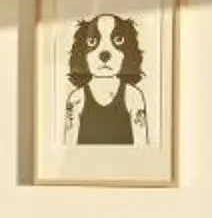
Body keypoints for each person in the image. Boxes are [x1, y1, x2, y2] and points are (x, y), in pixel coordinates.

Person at [63, 13, 149, 146]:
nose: (104, 53)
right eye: (92, 42)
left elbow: (142, 145)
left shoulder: (134, 96)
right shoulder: (76, 98)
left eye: (118, 40)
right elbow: (68, 145)